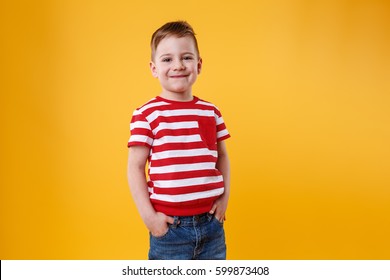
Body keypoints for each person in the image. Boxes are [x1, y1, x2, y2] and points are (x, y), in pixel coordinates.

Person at [127, 21, 231, 260]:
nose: (178, 66)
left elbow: (222, 156)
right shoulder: (146, 114)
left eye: (186, 57)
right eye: (167, 59)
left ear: (199, 64)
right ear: (154, 68)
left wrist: (224, 200)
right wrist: (150, 218)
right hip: (170, 230)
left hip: (212, 226)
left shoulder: (211, 111)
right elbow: (135, 166)